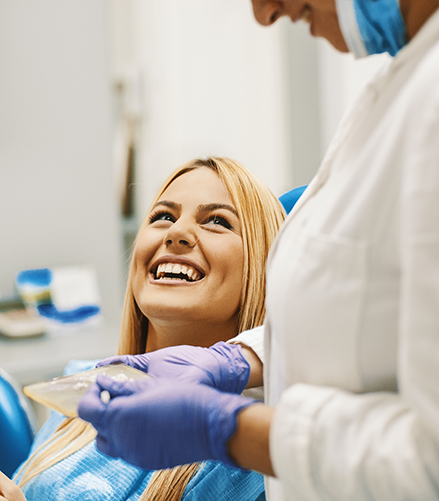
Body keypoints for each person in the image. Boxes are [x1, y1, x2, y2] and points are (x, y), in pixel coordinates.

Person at [77, 0, 439, 500]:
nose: (263, 13)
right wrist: (242, 357)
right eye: (161, 215)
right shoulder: (405, 81)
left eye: (218, 222)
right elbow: (366, 316)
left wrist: (226, 428)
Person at [0, 156, 285, 501]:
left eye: (217, 222)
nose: (176, 232)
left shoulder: (257, 456)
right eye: (163, 216)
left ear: (265, 267)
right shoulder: (81, 385)